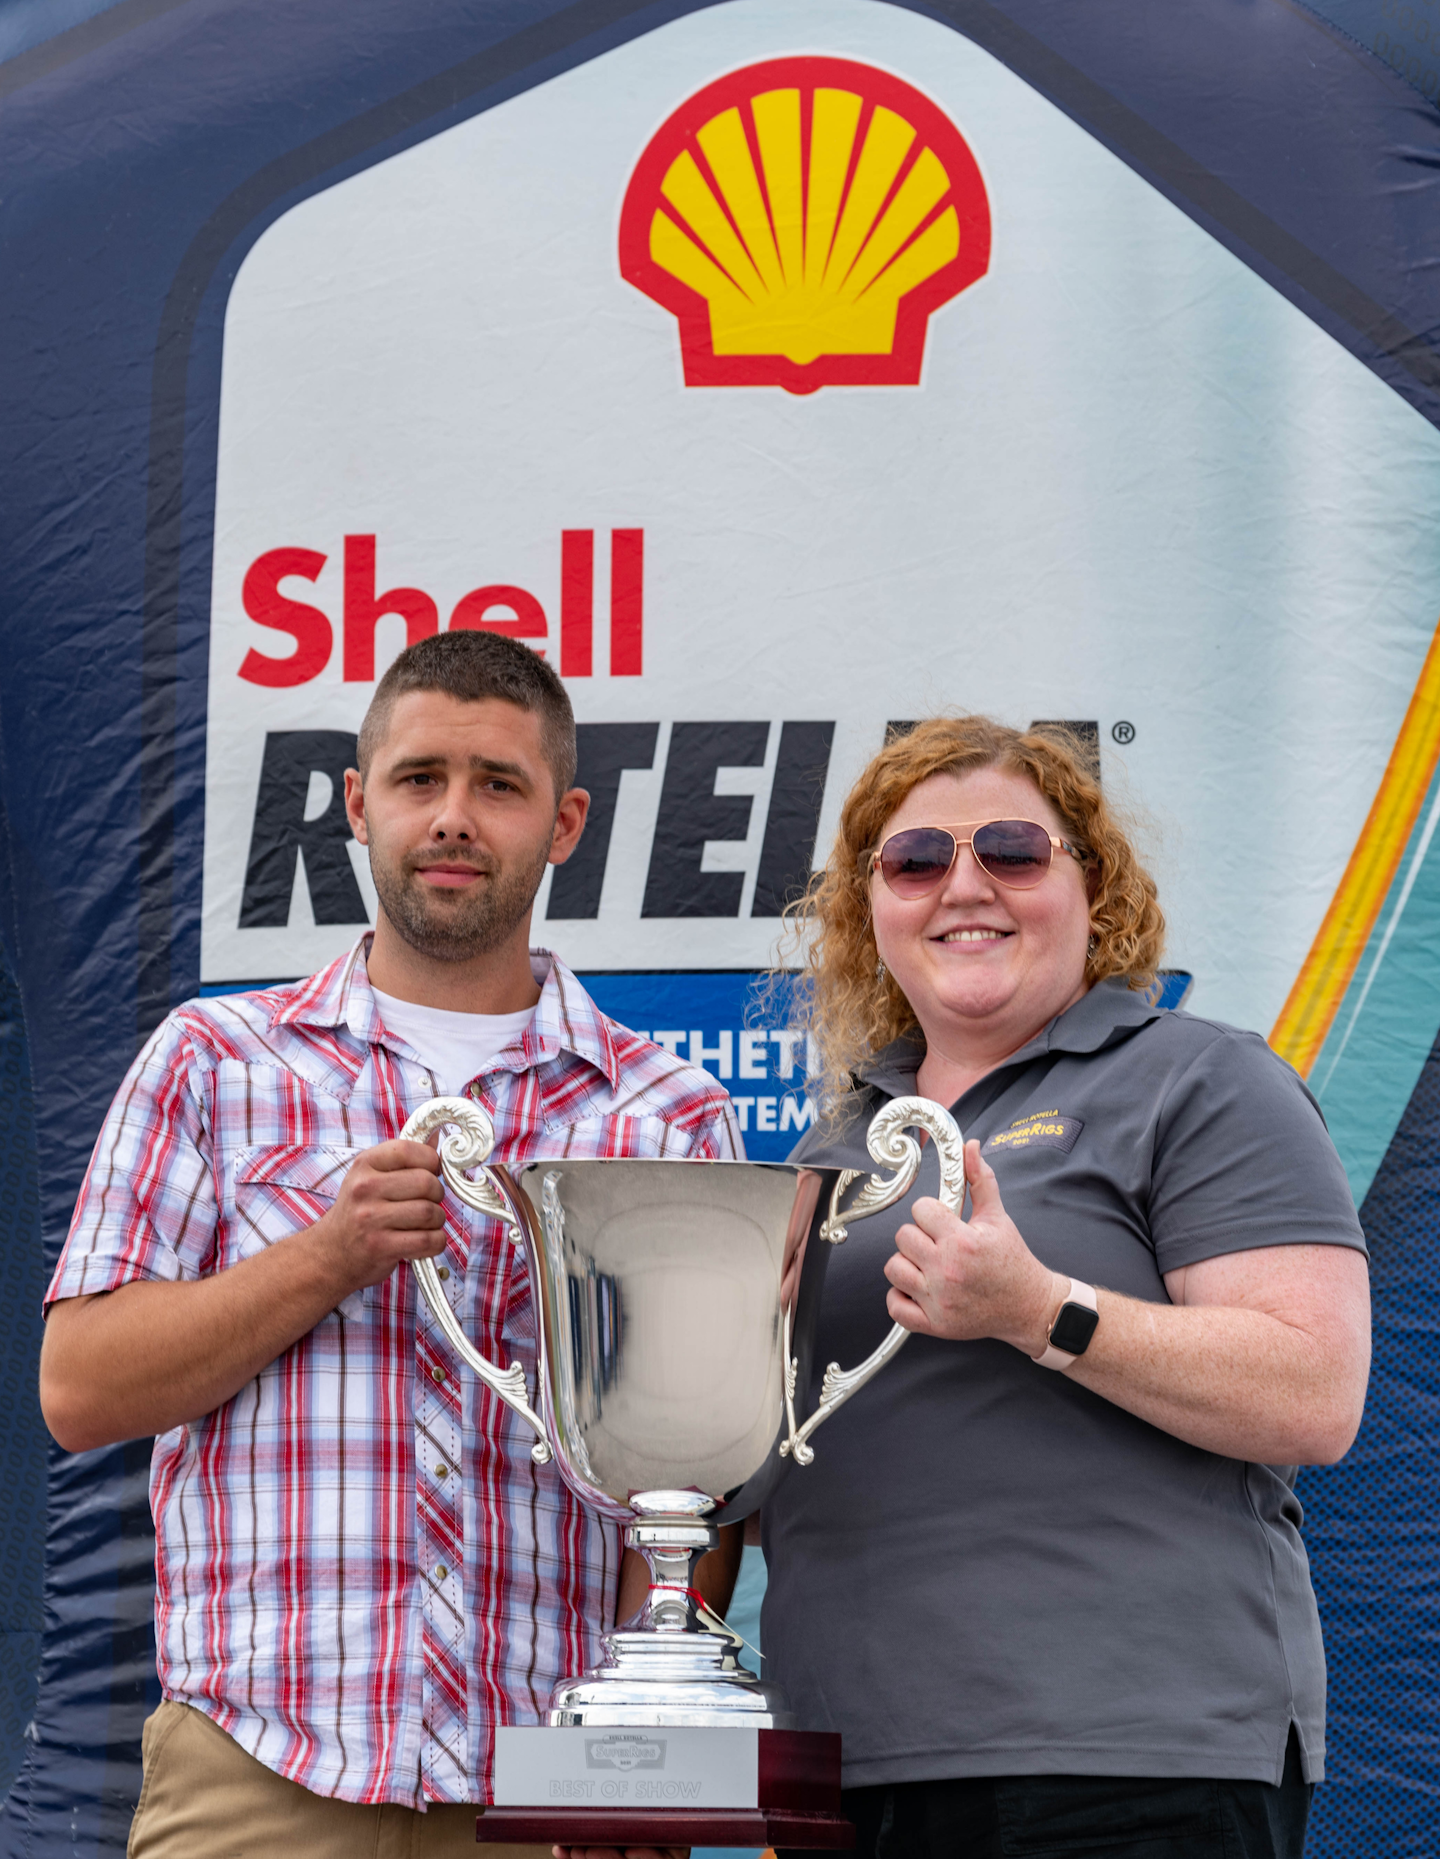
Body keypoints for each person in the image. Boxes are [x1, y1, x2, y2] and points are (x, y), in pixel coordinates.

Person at [39, 631, 742, 1859]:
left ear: (566, 821)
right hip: (258, 1769)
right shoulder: (211, 1061)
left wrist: (636, 1767)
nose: (454, 816)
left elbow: (699, 1479)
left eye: (499, 783)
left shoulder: (667, 1113)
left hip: (553, 1781)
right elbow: (81, 1389)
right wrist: (327, 1254)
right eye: (421, 778)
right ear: (359, 805)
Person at [764, 716, 1370, 1859]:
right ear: (869, 907)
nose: (965, 885)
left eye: (1013, 849)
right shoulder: (834, 1148)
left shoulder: (1200, 1078)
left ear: (1096, 887)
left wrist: (1041, 1310)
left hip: (1125, 1761)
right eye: (916, 860)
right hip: (843, 1766)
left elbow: (1314, 1391)